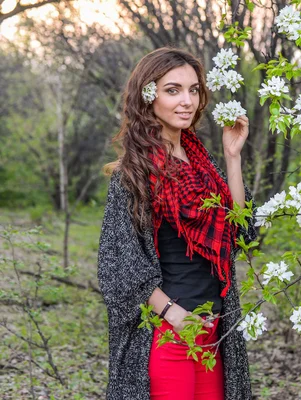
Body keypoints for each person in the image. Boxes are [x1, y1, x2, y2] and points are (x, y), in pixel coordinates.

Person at [97, 47, 256, 400]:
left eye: (194, 90)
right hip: (167, 332)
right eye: (173, 90)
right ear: (148, 97)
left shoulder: (204, 165)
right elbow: (117, 267)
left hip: (215, 326)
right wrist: (172, 314)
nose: (186, 101)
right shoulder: (133, 173)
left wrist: (232, 157)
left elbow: (240, 232)